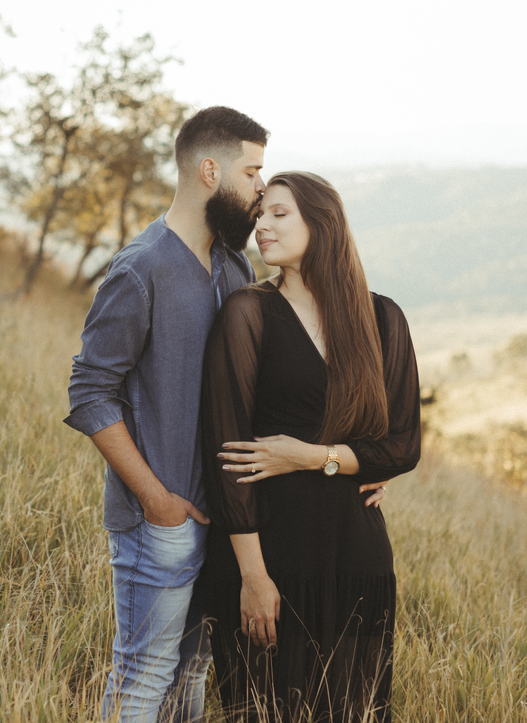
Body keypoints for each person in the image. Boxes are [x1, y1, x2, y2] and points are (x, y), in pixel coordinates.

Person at [64, 106, 269, 722]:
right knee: (144, 672)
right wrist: (156, 499)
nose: (262, 188)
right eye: (253, 171)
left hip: (223, 521)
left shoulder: (234, 267)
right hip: (160, 524)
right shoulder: (142, 267)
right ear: (211, 170)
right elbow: (89, 389)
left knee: (191, 676)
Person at [197, 171, 421, 722]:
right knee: (263, 709)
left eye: (279, 213)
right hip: (271, 554)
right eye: (260, 215)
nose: (262, 226)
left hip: (356, 555)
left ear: (321, 225)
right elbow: (227, 459)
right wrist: (252, 575)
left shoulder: (382, 318)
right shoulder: (248, 314)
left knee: (353, 710)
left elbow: (402, 445)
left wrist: (313, 457)